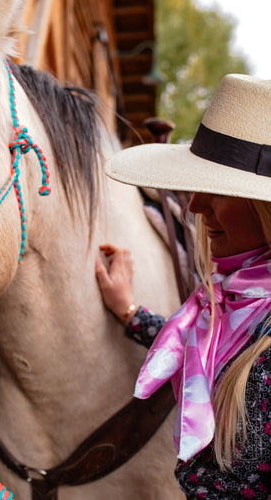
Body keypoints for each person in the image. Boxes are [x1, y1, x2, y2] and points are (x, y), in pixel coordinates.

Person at [95, 74, 271, 499]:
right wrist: (130, 313)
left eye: (218, 191)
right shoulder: (239, 306)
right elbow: (201, 342)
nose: (194, 205)